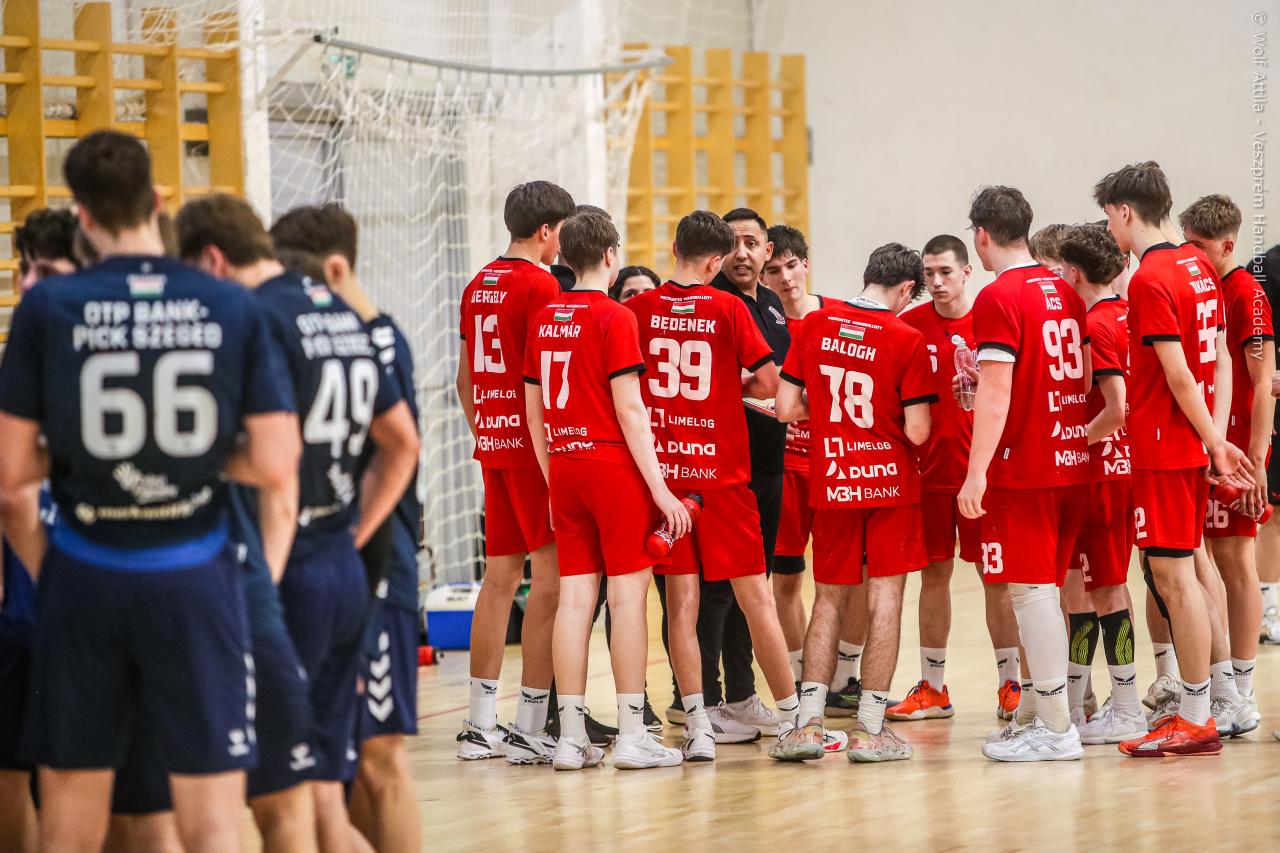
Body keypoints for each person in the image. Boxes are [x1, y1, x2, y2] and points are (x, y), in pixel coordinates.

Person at [0, 130, 300, 850]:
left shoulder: (48, 307)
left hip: (84, 577)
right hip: (196, 579)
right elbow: (275, 460)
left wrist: (87, 453)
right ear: (158, 200)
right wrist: (192, 452)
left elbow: (10, 474)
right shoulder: (229, 304)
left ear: (82, 215)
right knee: (212, 824)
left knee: (70, 824)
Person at [179, 193, 420, 849]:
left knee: (284, 801)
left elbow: (278, 474)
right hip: (341, 565)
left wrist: (264, 581)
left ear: (213, 260)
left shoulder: (255, 317)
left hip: (288, 570)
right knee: (324, 795)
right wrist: (350, 530)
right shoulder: (345, 316)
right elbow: (403, 443)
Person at [269, 203, 424, 851]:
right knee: (343, 765)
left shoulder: (375, 338)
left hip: (380, 567)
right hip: (345, 573)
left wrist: (348, 537)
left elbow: (397, 452)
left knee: (379, 759)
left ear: (334, 269)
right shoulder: (350, 336)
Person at [627, 210, 802, 759]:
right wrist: (729, 383)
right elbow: (770, 383)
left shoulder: (638, 309)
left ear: (674, 248)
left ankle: (699, 727)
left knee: (681, 605)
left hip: (665, 480)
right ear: (717, 260)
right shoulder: (728, 308)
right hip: (722, 478)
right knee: (757, 600)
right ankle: (794, 721)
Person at [523, 210, 692, 769]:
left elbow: (533, 412)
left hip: (564, 467)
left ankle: (570, 738)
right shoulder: (615, 316)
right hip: (612, 468)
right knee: (626, 600)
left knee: (574, 600)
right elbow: (631, 411)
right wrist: (661, 491)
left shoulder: (545, 317)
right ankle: (633, 734)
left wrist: (552, 481)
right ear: (610, 255)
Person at [1094, 161, 1252, 756]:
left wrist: (1214, 444)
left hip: (1165, 448)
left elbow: (1180, 374)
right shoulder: (1199, 265)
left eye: (1110, 217)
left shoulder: (1151, 277)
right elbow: (1221, 358)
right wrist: (1216, 436)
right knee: (1190, 569)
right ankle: (1216, 700)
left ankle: (1195, 716)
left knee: (1174, 579)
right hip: (1190, 442)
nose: (1111, 229)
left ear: (1125, 212)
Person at [773, 242, 935, 763]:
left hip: (834, 478)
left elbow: (785, 408)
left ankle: (807, 725)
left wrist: (829, 415)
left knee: (828, 598)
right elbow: (917, 430)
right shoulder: (907, 338)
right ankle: (869, 729)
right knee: (885, 597)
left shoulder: (816, 325)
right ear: (906, 289)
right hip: (891, 486)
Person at [954, 185, 1090, 762]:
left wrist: (976, 472)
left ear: (981, 235)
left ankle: (1057, 728)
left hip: (1027, 469)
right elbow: (1082, 378)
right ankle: (1037, 711)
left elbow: (996, 393)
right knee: (1045, 592)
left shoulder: (999, 295)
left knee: (1030, 595)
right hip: (1072, 461)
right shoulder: (1065, 288)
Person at [455, 181, 575, 761]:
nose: (563, 244)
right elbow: (545, 380)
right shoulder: (540, 285)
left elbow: (463, 380)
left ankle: (480, 725)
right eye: (562, 232)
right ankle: (529, 724)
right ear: (547, 230)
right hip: (533, 452)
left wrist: (487, 434)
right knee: (550, 579)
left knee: (499, 579)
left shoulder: (478, 283)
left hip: (495, 447)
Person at [891, 234, 1023, 723]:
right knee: (933, 576)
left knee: (997, 579)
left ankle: (1011, 683)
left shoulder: (991, 318)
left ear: (967, 271)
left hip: (983, 477)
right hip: (929, 475)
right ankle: (933, 687)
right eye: (928, 273)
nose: (936, 281)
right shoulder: (910, 327)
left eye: (945, 271)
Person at [689, 207, 791, 740]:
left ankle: (743, 695)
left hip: (769, 467)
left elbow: (780, 384)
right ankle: (703, 701)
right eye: (733, 243)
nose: (743, 253)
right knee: (715, 591)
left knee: (756, 586)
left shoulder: (771, 304)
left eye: (753, 243)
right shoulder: (714, 304)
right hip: (722, 469)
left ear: (768, 251)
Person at [0, 207, 80, 853]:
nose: (29, 283)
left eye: (46, 271)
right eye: (24, 268)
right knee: (12, 775)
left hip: (92, 606)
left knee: (82, 785)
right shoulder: (15, 367)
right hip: (24, 607)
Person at [1181, 194, 1272, 737]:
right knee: (1204, 563)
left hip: (1238, 451)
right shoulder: (1205, 290)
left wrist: (1257, 461)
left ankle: (1244, 685)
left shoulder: (1246, 293)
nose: (1190, 255)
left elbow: (1263, 383)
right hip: (1209, 445)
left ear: (1227, 245)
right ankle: (1218, 685)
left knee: (1236, 562)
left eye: (1199, 246)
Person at [1054, 223, 1148, 743]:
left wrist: (1069, 442)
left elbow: (1116, 410)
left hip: (1104, 472)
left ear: (1073, 273)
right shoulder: (1128, 313)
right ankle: (1074, 703)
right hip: (1111, 470)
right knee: (1083, 592)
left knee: (1108, 590)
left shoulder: (1096, 323)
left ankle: (1128, 708)